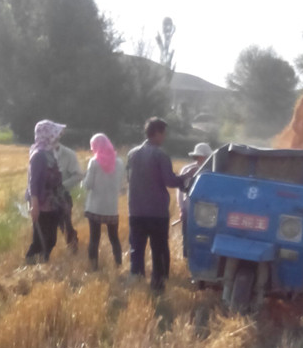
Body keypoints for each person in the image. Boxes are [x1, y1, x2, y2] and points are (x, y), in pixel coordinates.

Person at [126, 117, 186, 291]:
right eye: (164, 134)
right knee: (159, 249)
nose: (164, 137)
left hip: (135, 209)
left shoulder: (132, 153)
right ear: (157, 133)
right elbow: (169, 181)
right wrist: (184, 178)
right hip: (156, 211)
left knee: (137, 248)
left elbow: (129, 178)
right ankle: (158, 284)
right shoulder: (160, 155)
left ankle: (136, 280)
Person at [25, 120, 68, 264]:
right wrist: (35, 205)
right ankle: (30, 267)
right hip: (42, 205)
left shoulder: (49, 153)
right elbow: (33, 182)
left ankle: (42, 265)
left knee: (51, 240)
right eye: (54, 135)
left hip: (53, 203)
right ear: (47, 136)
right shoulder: (38, 155)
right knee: (39, 241)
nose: (56, 138)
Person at [83, 133, 126, 270]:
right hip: (111, 207)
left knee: (94, 239)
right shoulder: (119, 163)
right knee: (114, 238)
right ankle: (118, 265)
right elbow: (122, 186)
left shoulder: (94, 162)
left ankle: (93, 267)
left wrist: (82, 181)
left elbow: (88, 184)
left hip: (95, 207)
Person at [177, 141, 212, 257]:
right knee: (187, 237)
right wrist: (182, 209)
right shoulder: (187, 169)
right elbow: (180, 192)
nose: (200, 159)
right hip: (188, 209)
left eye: (203, 156)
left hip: (206, 213)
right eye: (199, 156)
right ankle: (186, 259)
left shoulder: (212, 171)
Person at [53, 138, 84, 252]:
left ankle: (73, 249)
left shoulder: (69, 154)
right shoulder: (39, 153)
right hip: (44, 198)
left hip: (63, 197)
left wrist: (61, 186)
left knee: (65, 226)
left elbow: (78, 175)